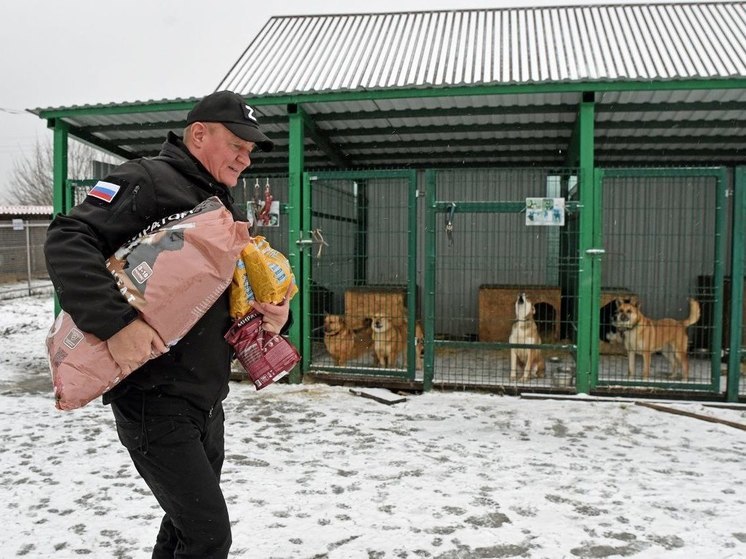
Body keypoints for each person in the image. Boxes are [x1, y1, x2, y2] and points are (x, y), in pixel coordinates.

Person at [44, 90, 290, 558]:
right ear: (199, 134)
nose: (246, 158)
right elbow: (68, 238)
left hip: (206, 401)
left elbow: (226, 294)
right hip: (153, 402)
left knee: (183, 530)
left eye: (251, 150)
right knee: (208, 535)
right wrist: (118, 326)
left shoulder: (221, 204)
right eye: (237, 143)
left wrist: (277, 315)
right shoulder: (147, 179)